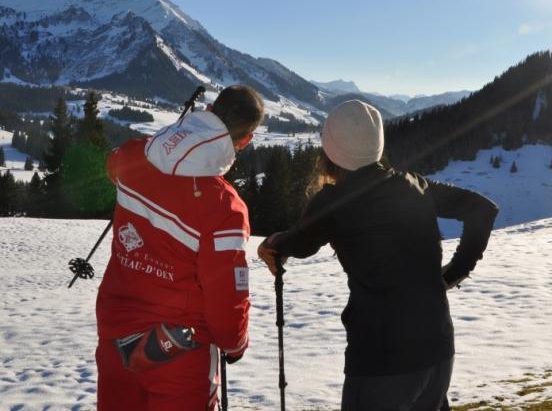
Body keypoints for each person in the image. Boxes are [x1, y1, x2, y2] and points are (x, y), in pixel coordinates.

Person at [258, 99, 498, 411]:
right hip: (437, 349)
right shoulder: (414, 185)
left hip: (382, 360)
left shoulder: (335, 202)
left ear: (331, 151)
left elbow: (300, 244)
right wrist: (453, 274)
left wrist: (273, 243)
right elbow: (482, 210)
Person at [95, 84, 264, 411]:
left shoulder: (134, 155)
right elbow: (227, 294)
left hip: (115, 334)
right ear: (246, 141)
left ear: (210, 110)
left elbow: (112, 165)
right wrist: (234, 343)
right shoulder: (223, 207)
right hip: (178, 351)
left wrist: (171, 141)